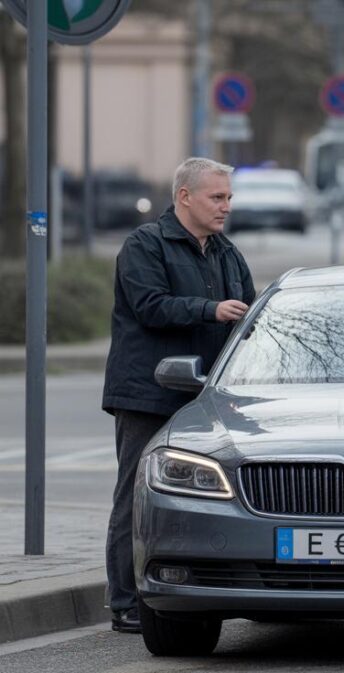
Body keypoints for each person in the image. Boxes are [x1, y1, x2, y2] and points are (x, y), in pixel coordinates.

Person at [101, 157, 256, 633]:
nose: (225, 206)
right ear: (184, 196)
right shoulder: (145, 244)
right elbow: (149, 306)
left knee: (208, 495)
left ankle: (198, 584)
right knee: (136, 495)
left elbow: (248, 313)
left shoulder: (226, 251)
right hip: (146, 392)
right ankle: (125, 602)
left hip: (207, 396)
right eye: (217, 197)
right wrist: (209, 310)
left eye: (228, 197)